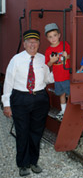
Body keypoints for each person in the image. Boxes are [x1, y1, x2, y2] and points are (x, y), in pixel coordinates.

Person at [1, 30, 54, 177]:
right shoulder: (16, 59)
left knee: (36, 132)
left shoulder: (43, 59)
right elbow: (8, 82)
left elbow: (48, 79)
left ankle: (33, 161)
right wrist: (6, 104)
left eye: (35, 42)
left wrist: (60, 68)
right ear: (24, 44)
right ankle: (23, 164)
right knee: (22, 132)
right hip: (21, 99)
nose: (32, 44)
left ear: (39, 44)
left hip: (40, 99)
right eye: (29, 42)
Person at [44, 23, 70, 121]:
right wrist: (52, 61)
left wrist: (66, 56)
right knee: (61, 94)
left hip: (67, 75)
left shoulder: (65, 45)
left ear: (59, 35)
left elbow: (71, 56)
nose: (53, 38)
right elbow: (48, 64)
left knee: (69, 93)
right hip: (57, 76)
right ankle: (63, 110)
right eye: (50, 37)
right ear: (47, 38)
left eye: (55, 35)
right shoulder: (48, 50)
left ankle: (70, 111)